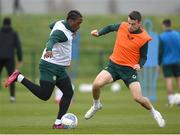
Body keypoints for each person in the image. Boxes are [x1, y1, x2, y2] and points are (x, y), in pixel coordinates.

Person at [84, 11, 165, 127]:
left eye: (133, 24)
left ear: (139, 23)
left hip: (129, 70)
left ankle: (154, 112)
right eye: (129, 23)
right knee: (96, 84)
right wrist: (99, 33)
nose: (130, 26)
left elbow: (143, 57)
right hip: (114, 66)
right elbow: (110, 27)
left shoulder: (144, 38)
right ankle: (96, 105)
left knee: (138, 98)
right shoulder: (123, 26)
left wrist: (139, 65)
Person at [4, 10, 83, 129]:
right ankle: (19, 77)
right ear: (70, 21)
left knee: (68, 92)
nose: (79, 26)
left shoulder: (61, 23)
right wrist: (49, 49)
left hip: (59, 68)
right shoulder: (61, 32)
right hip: (49, 66)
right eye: (78, 23)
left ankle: (57, 123)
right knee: (45, 95)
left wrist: (69, 31)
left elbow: (51, 25)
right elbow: (51, 40)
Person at [0, 17, 23, 102]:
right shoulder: (14, 33)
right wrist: (20, 58)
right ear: (10, 23)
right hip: (10, 58)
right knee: (12, 77)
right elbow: (18, 47)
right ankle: (12, 97)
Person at [158, 19, 180, 106]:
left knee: (168, 80)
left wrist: (159, 64)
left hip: (167, 62)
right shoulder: (178, 34)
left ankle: (171, 101)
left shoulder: (162, 36)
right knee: (179, 79)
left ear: (164, 25)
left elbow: (160, 51)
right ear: (170, 24)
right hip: (178, 61)